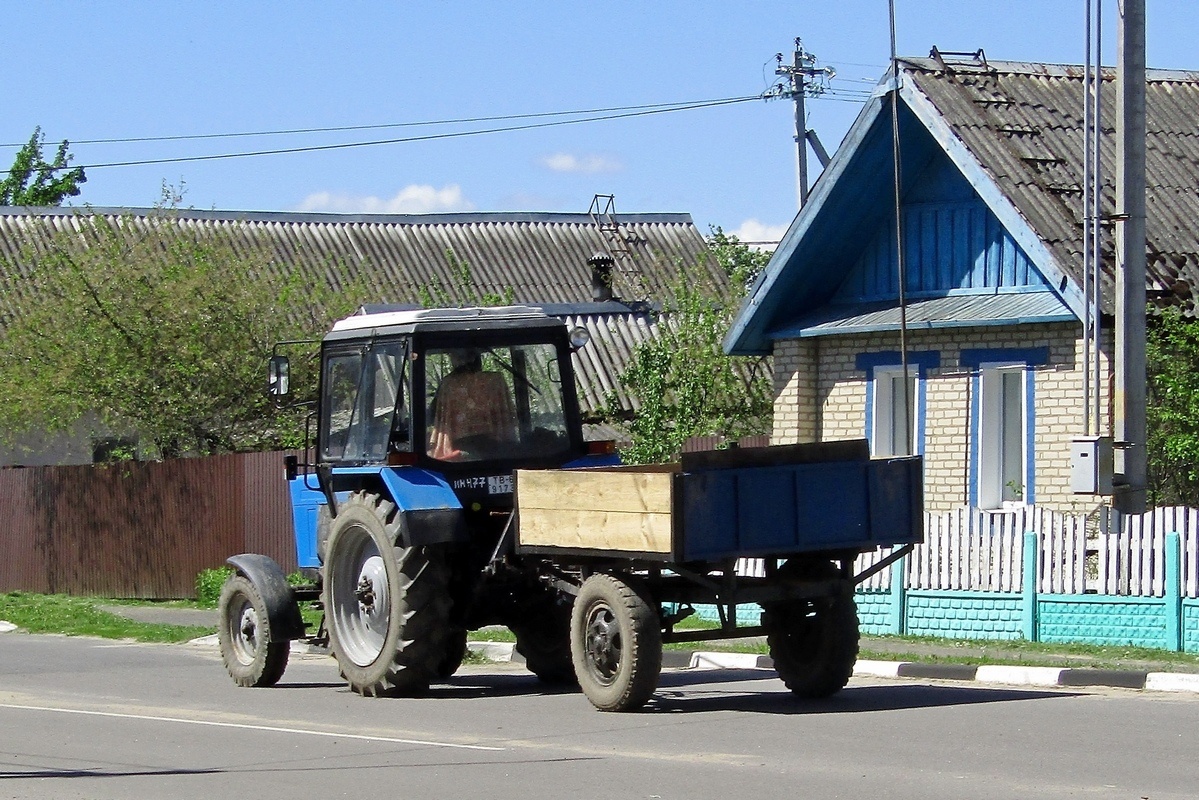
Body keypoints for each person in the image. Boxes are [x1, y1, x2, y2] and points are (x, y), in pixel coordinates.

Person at [427, 348, 518, 460]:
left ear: (456, 360)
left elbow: (434, 415)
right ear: (477, 358)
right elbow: (508, 413)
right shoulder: (495, 380)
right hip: (496, 444)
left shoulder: (449, 384)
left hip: (458, 445)